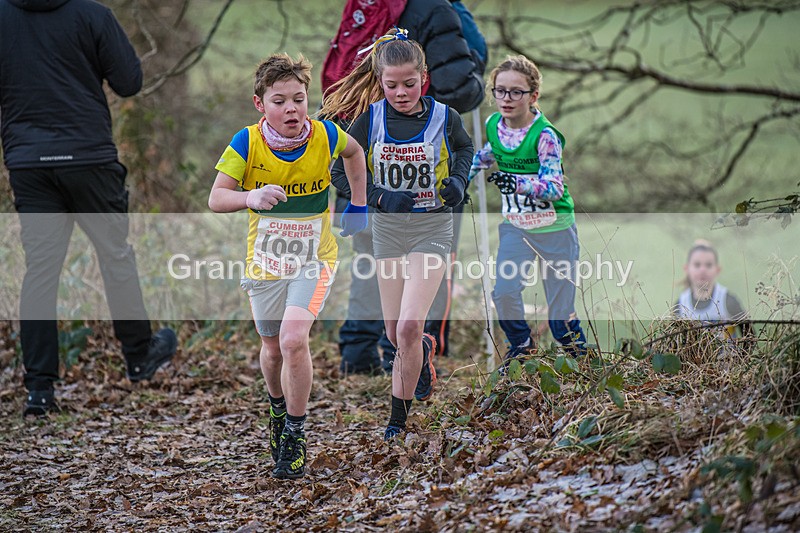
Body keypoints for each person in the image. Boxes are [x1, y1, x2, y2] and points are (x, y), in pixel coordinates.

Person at [0, 0, 178, 417]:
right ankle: (138, 357)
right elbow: (129, 82)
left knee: (41, 270)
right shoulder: (91, 14)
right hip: (89, 156)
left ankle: (39, 391)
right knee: (115, 255)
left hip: (28, 161)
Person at [208, 53, 368, 479]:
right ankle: (277, 410)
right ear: (260, 104)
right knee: (273, 348)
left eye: (299, 98)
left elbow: (355, 154)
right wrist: (250, 197)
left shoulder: (326, 135)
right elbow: (216, 197)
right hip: (264, 265)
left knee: (294, 339)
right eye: (279, 101)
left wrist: (358, 202)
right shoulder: (246, 143)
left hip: (314, 260)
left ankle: (295, 435)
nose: (292, 109)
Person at [320, 28, 474, 440]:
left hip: (433, 226)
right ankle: (421, 352)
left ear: (423, 78)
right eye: (392, 85)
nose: (401, 93)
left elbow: (464, 149)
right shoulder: (368, 120)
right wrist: (378, 196)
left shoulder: (445, 116)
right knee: (394, 333)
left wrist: (459, 183)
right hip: (388, 231)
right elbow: (339, 169)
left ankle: (396, 422)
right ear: (380, 81)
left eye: (409, 84)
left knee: (407, 325)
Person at [471, 55, 587, 368]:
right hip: (517, 227)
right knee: (504, 293)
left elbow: (554, 188)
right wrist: (457, 179)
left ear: (532, 96)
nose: (506, 99)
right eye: (500, 91)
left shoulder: (545, 136)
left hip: (555, 229)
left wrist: (516, 182)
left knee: (560, 323)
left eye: (516, 92)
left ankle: (588, 370)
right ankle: (521, 345)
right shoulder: (493, 124)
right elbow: (485, 156)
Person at [673, 240, 750, 337]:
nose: (702, 270)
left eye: (708, 265)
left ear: (717, 270)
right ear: (686, 269)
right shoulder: (680, 304)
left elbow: (749, 336)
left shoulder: (728, 301)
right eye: (697, 265)